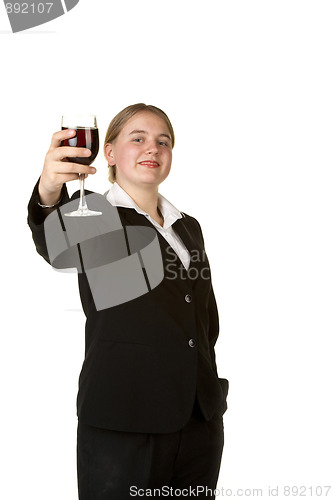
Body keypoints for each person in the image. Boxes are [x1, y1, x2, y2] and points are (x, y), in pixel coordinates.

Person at [27, 103, 229, 499]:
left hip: (197, 420)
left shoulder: (188, 226)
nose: (152, 148)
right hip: (125, 421)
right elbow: (51, 239)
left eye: (162, 141)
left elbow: (204, 318)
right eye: (137, 139)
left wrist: (211, 393)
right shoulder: (95, 217)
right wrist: (50, 189)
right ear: (110, 153)